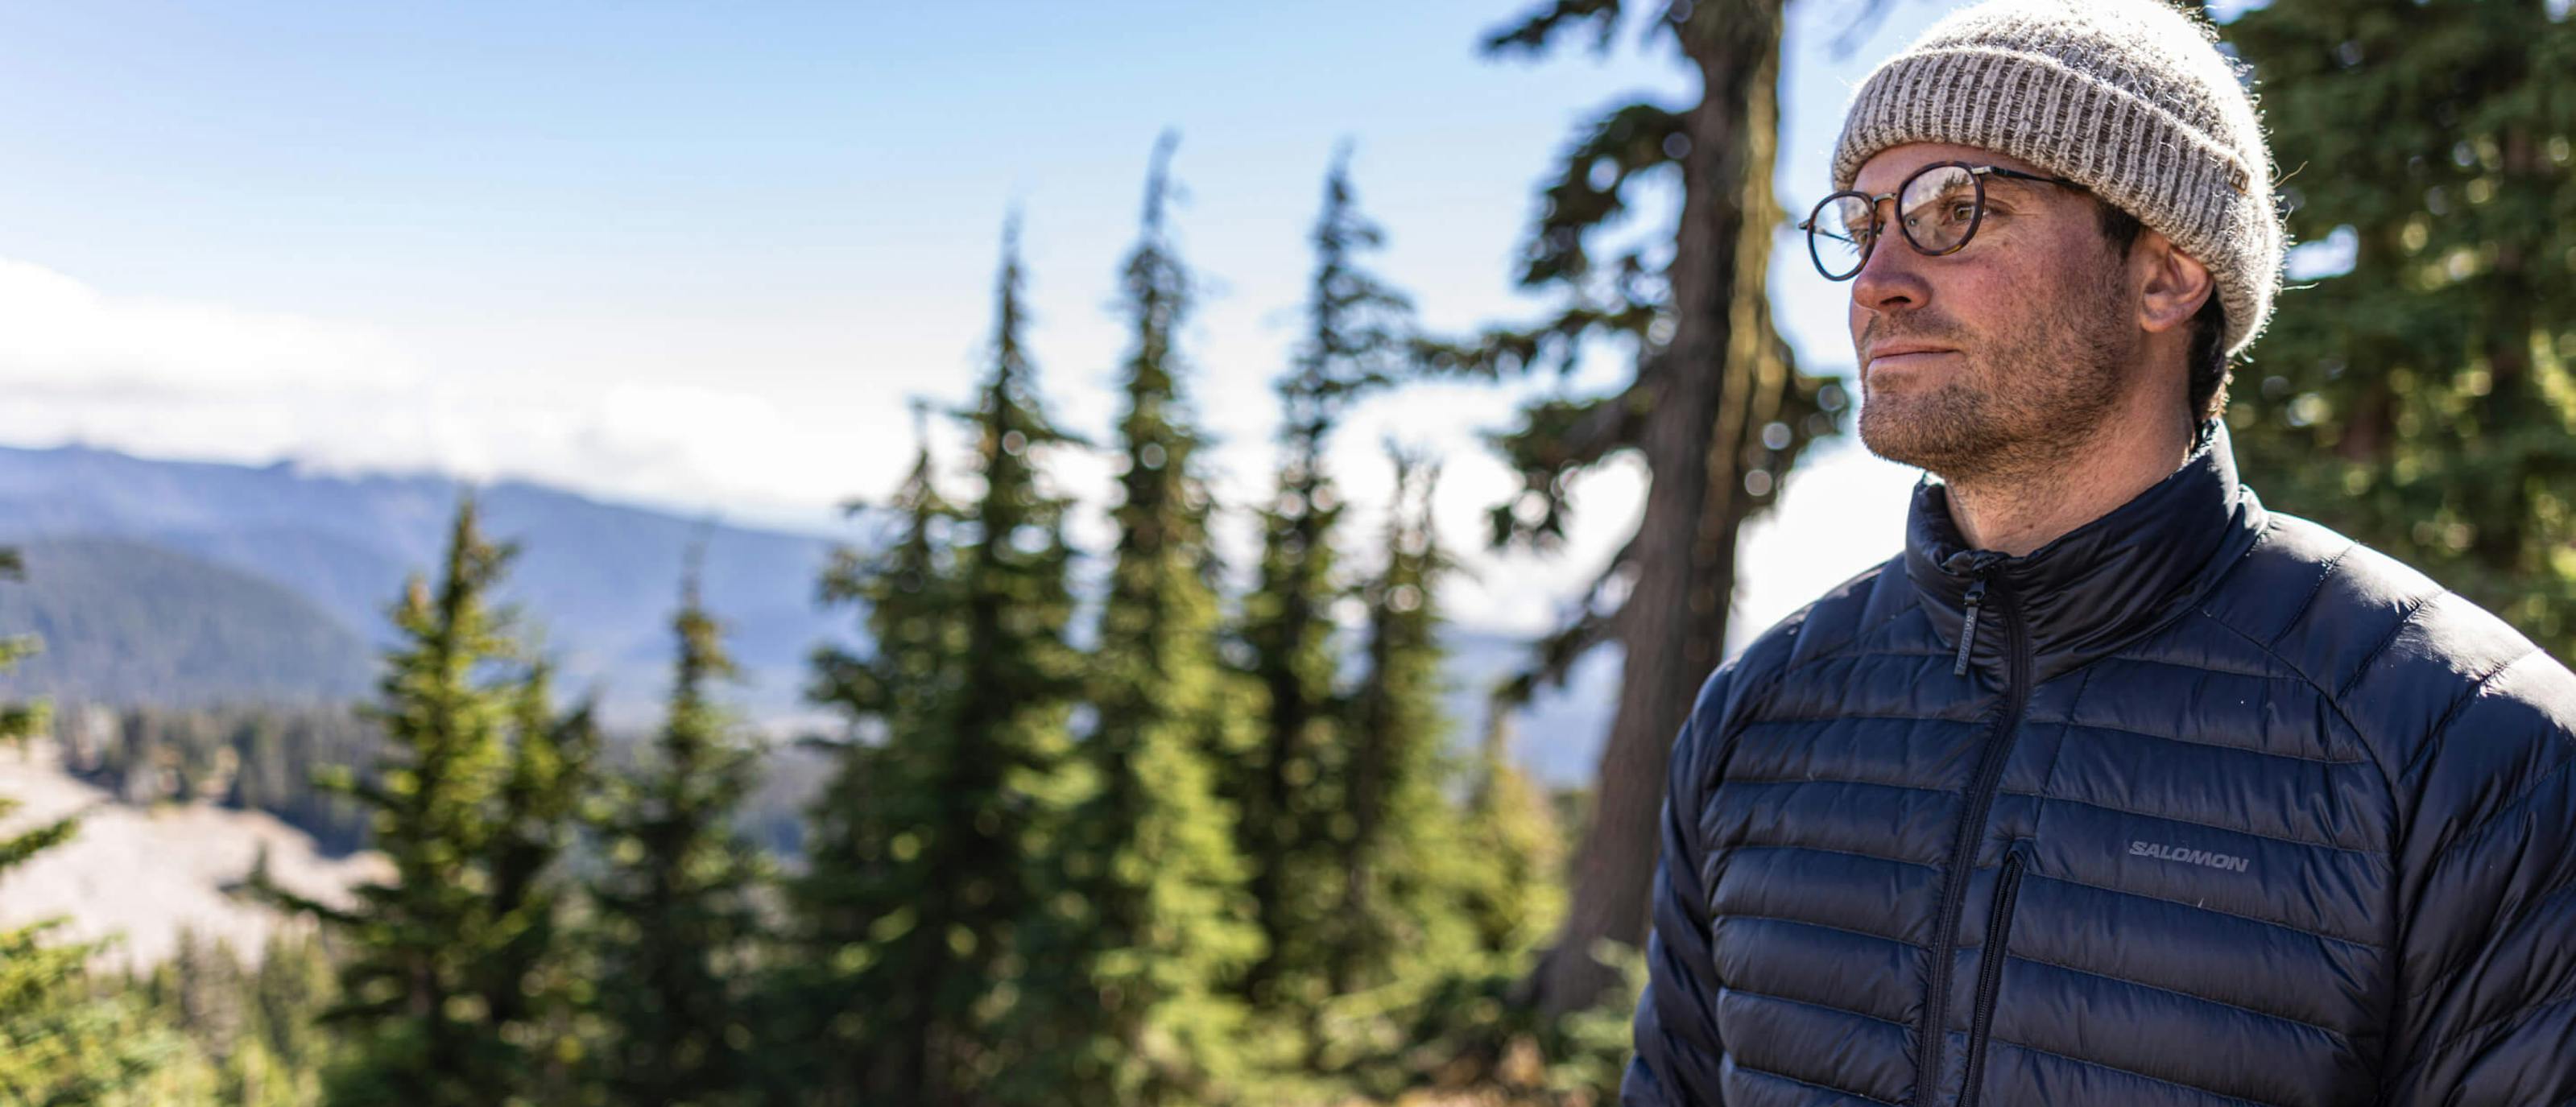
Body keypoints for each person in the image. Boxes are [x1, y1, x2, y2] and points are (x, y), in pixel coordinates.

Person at [1623, 1, 2576, 1105]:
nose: (1875, 277)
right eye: (1864, 219)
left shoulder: (2473, 750)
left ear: (2165, 274)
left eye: (1952, 208)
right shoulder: (1760, 714)